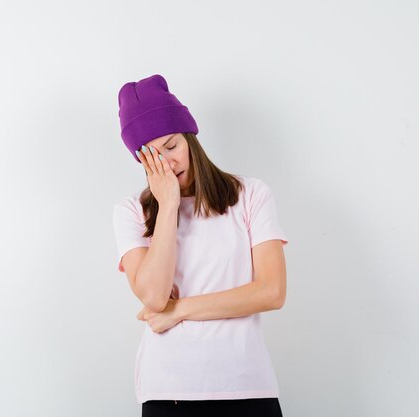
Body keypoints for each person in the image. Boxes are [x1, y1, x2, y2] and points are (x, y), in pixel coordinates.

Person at [112, 74, 288, 417]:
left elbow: (272, 292)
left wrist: (179, 311)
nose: (167, 162)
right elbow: (154, 297)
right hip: (169, 392)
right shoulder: (131, 212)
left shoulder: (250, 195)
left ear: (190, 137)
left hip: (246, 386)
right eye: (151, 155)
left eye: (172, 146)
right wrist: (167, 206)